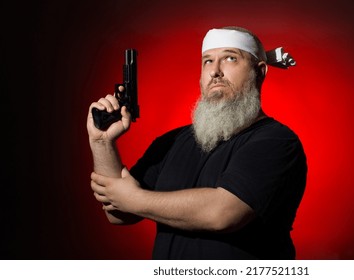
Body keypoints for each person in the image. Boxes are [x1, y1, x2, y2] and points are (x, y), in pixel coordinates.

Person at [87, 26, 307, 259]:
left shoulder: (277, 141)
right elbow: (118, 213)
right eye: (208, 61)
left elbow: (223, 213)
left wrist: (134, 199)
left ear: (260, 71)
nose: (215, 71)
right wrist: (101, 141)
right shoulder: (170, 142)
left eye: (230, 58)